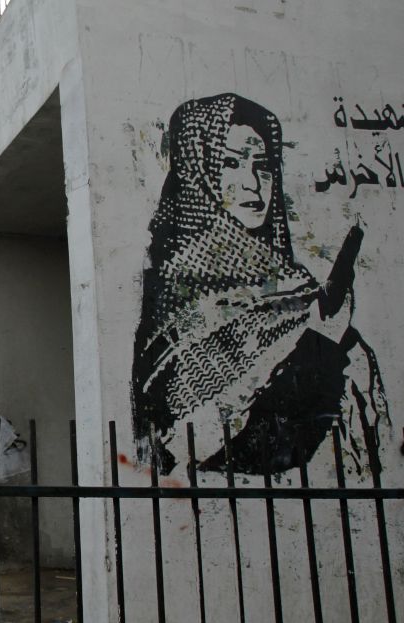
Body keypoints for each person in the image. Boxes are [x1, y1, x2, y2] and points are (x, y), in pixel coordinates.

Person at [132, 93, 390, 475]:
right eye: (231, 163)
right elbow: (193, 450)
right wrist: (319, 344)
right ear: (198, 172)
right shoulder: (181, 297)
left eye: (263, 166)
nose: (252, 183)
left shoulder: (297, 290)